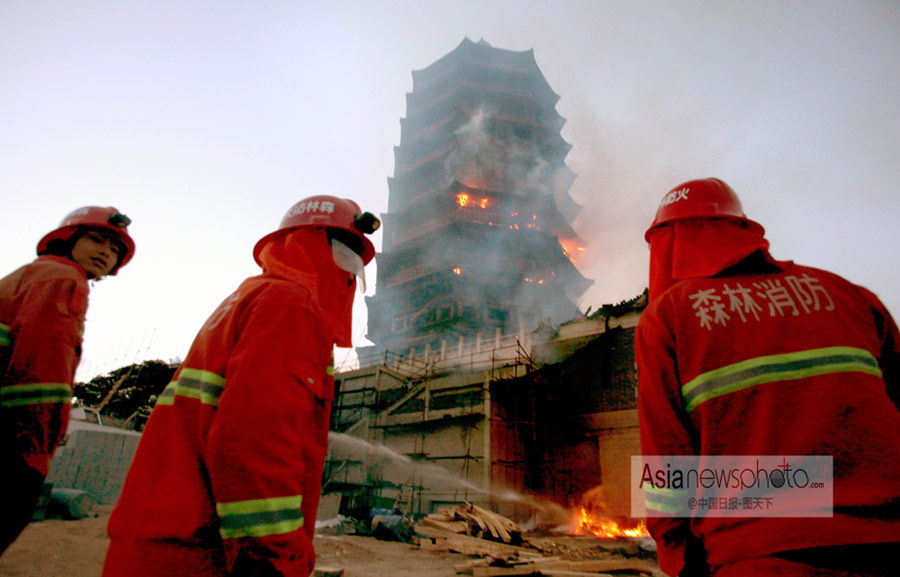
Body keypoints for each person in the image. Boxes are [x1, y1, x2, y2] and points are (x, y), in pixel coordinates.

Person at [103, 196, 380, 577]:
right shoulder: (291, 307)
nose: (350, 278)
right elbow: (257, 437)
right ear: (309, 246)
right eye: (346, 260)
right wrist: (277, 555)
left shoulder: (250, 299)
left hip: (162, 541)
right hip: (203, 555)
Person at [636, 178, 900, 577]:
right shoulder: (848, 294)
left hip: (761, 555)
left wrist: (680, 559)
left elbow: (666, 463)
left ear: (667, 245)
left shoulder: (670, 317)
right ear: (743, 231)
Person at [1, 206, 135, 555]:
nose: (107, 251)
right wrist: (33, 454)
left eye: (115, 249)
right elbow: (40, 371)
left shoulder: (26, 276)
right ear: (67, 240)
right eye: (96, 240)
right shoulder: (62, 278)